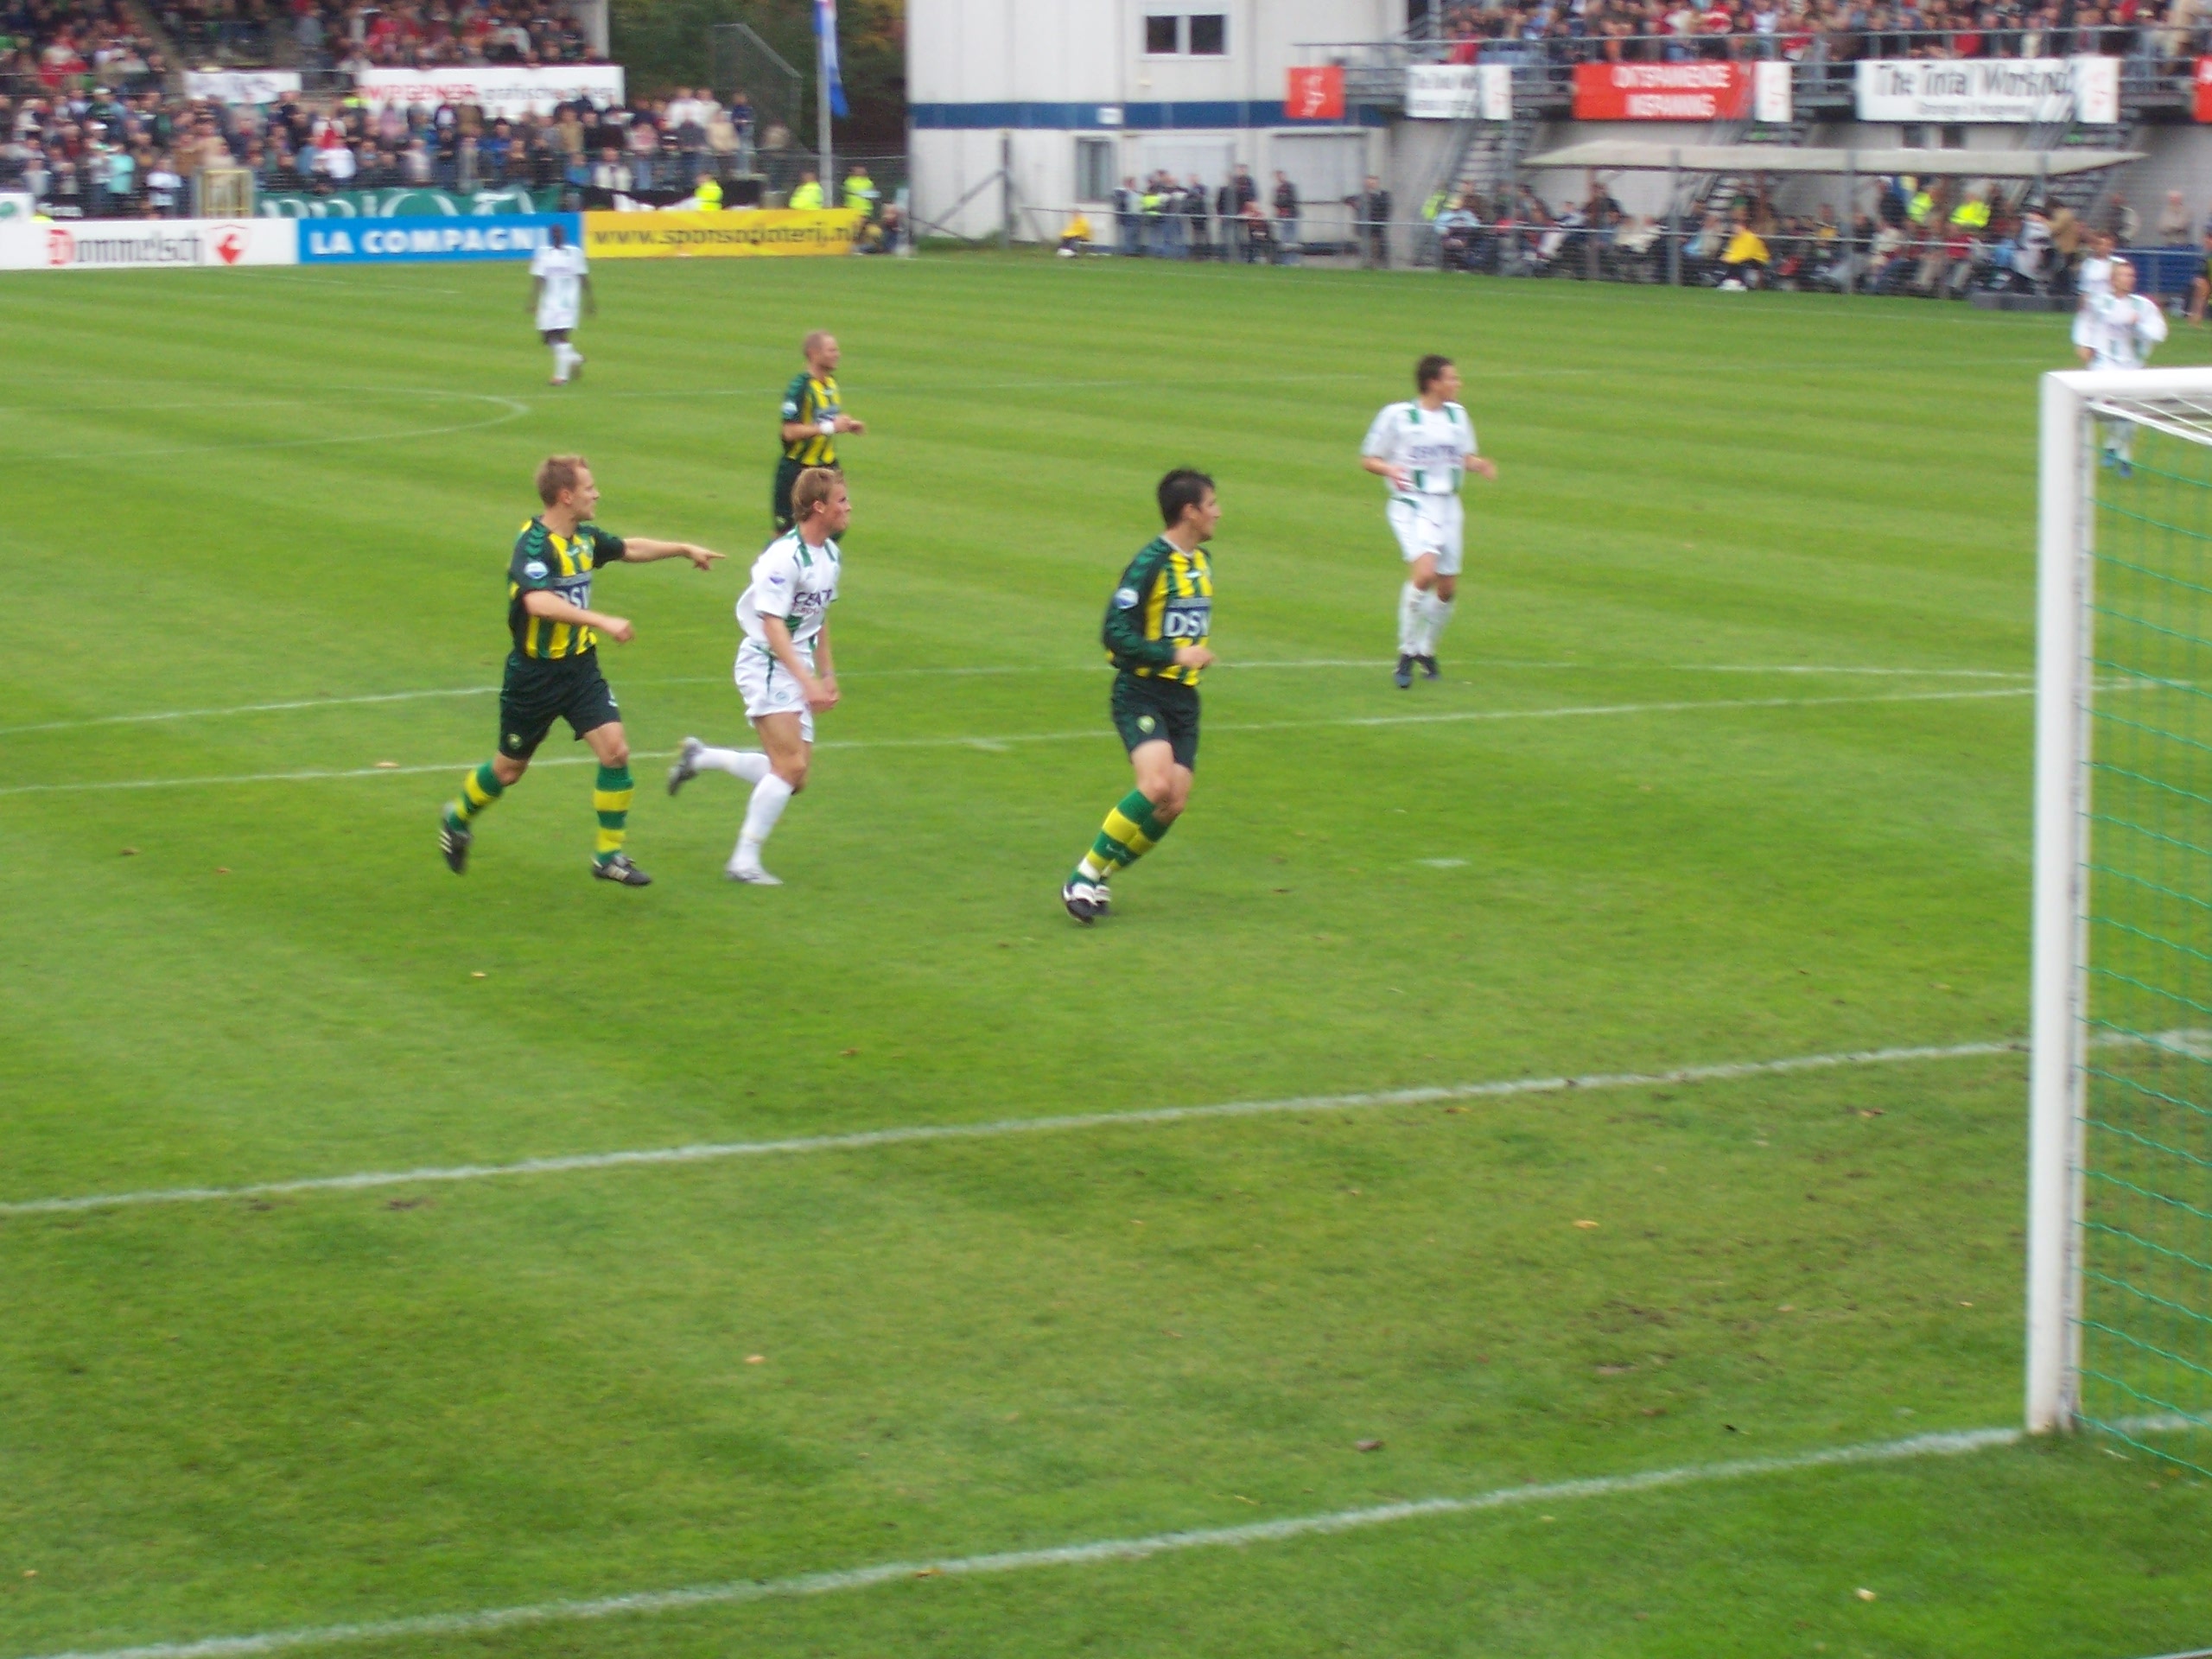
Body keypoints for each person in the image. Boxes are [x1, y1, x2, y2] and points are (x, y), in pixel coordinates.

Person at [440, 455, 726, 887]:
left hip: (580, 670)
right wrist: (602, 620)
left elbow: (629, 548)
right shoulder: (534, 546)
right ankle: (457, 818)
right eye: (590, 487)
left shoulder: (584, 539)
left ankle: (607, 856)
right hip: (534, 677)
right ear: (566, 496)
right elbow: (537, 602)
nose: (597, 494)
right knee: (509, 770)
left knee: (616, 751)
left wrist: (683, 548)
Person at [667, 467, 849, 885]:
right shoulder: (783, 558)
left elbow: (819, 617)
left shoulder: (831, 555)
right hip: (768, 664)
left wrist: (828, 673)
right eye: (841, 500)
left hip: (796, 665)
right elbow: (771, 624)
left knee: (794, 777)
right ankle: (742, 863)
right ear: (818, 507)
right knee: (788, 768)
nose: (848, 507)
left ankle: (701, 757)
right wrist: (807, 683)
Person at [1061, 468, 1219, 925]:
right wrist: (1175, 653)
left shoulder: (1202, 561)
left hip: (1184, 700)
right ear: (1189, 511)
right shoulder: (1150, 563)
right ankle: (1082, 875)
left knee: (1174, 801)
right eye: (1211, 504)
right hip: (1142, 691)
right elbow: (1114, 633)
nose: (1218, 513)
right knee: (1154, 786)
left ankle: (1102, 876)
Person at [1361, 355, 1497, 689]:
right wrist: (1390, 469)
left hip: (1449, 505)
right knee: (1424, 575)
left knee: (1447, 588)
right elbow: (1369, 458)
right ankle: (1406, 653)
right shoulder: (1400, 416)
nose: (1458, 383)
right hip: (1413, 503)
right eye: (1453, 378)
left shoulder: (1457, 416)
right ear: (1433, 382)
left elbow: (1460, 457)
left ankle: (1426, 648)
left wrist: (1479, 465)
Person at [2074, 257, 2169, 477]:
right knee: (2107, 408)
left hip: (2132, 366)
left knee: (2130, 414)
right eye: (2124, 275)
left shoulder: (2143, 306)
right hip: (2104, 364)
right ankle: (2113, 446)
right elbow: (2089, 320)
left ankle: (2122, 455)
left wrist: (2140, 325)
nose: (2129, 279)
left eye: (2131, 275)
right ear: (2113, 279)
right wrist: (2083, 344)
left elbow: (2159, 333)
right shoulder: (2100, 302)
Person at [775, 330, 865, 533]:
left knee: (835, 527)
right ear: (814, 354)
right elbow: (789, 432)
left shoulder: (831, 384)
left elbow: (823, 419)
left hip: (828, 468)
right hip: (798, 470)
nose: (837, 354)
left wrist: (847, 425)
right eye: (831, 350)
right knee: (786, 534)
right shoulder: (800, 387)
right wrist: (831, 427)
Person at [528, 220, 591, 385]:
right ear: (551, 236)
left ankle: (560, 377)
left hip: (568, 302)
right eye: (555, 234)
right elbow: (539, 277)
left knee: (562, 336)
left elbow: (583, 276)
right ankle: (574, 358)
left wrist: (589, 300)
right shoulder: (543, 253)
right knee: (547, 338)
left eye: (560, 233)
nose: (558, 236)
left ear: (564, 235)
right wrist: (533, 301)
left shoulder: (573, 253)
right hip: (549, 302)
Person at [1355, 174, 1391, 268]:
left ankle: (1378, 265)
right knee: (1365, 247)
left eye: (1372, 182)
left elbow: (1384, 207)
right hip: (1364, 228)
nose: (1370, 185)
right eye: (1368, 182)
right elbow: (1347, 199)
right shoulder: (1362, 196)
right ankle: (1367, 264)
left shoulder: (1383, 195)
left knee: (1376, 247)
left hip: (1376, 227)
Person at [2189, 228, 2212, 326]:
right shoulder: (2206, 258)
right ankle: (2196, 315)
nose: (2206, 241)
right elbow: (2202, 280)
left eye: (2209, 238)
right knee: (2200, 284)